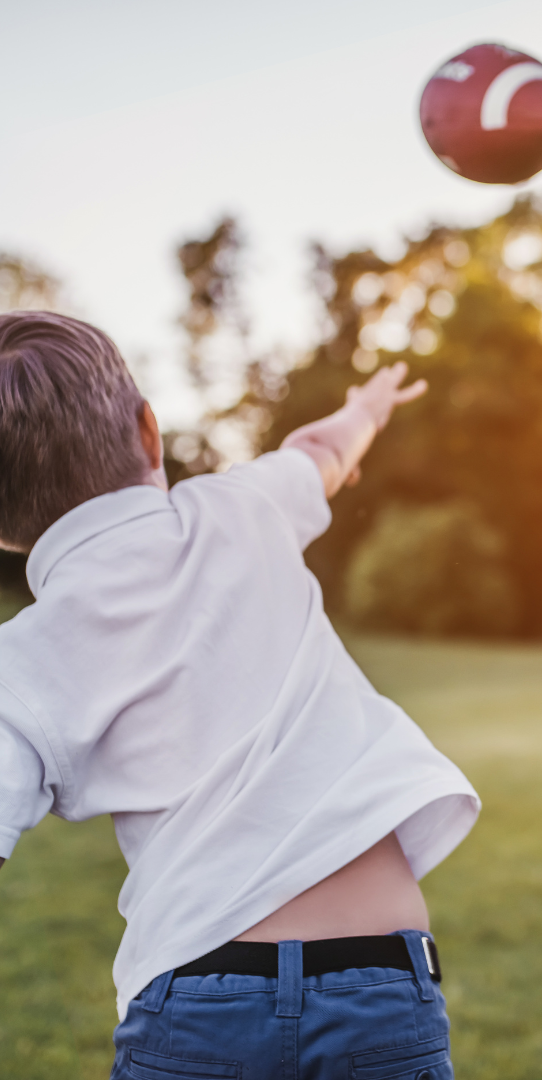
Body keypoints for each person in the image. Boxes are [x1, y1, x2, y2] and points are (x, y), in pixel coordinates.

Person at [0, 312, 479, 1078]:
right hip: (377, 987)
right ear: (149, 431)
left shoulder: (23, 661)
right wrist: (365, 411)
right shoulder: (240, 508)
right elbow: (317, 453)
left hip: (191, 1013)